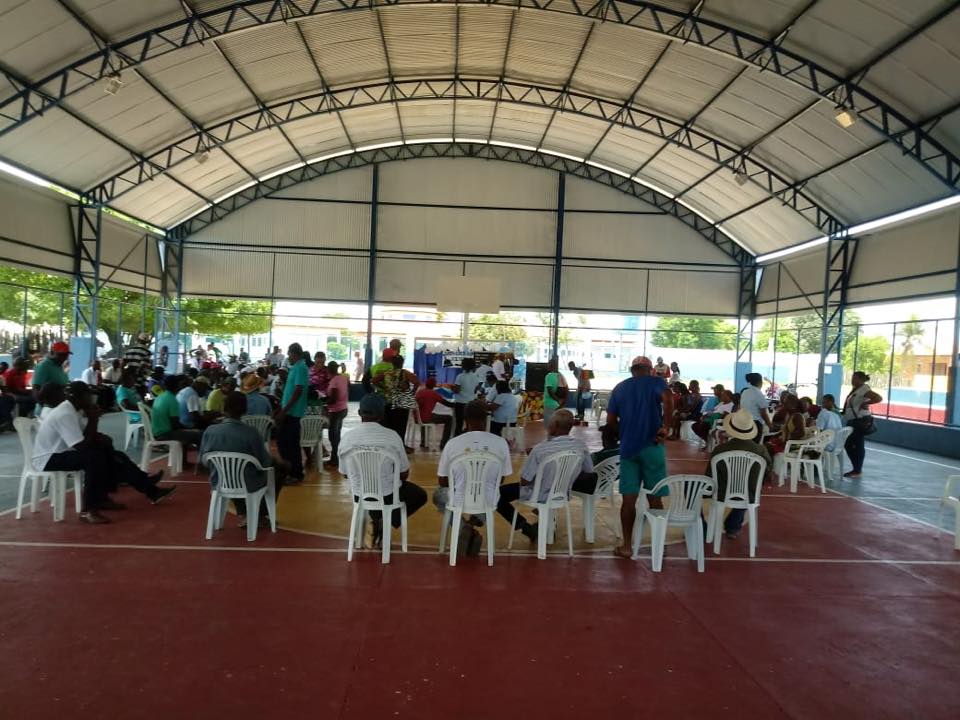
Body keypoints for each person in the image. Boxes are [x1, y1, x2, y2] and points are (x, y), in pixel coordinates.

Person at [32, 381, 175, 524]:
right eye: (88, 396)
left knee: (114, 455)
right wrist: (94, 419)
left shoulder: (75, 410)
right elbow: (81, 446)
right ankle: (88, 510)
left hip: (64, 452)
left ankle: (148, 490)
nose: (91, 399)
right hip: (48, 458)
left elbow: (86, 435)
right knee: (94, 458)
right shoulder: (65, 413)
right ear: (79, 397)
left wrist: (99, 434)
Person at [605, 355, 673, 559]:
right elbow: (668, 399)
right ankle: (659, 542)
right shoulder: (656, 382)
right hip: (653, 446)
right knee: (655, 497)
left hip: (628, 450)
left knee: (628, 500)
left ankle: (627, 546)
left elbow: (610, 420)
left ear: (632, 369)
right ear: (650, 369)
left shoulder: (620, 387)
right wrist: (666, 426)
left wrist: (622, 434)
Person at [337, 394, 427, 547]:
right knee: (419, 495)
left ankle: (377, 520)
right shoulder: (392, 437)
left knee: (374, 497)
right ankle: (384, 521)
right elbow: (404, 473)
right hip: (387, 495)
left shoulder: (347, 438)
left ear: (359, 413)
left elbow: (345, 473)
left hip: (360, 495)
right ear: (382, 415)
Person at [498, 409, 594, 544]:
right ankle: (545, 521)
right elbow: (588, 471)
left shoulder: (540, 449)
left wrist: (537, 462)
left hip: (539, 494)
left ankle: (526, 528)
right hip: (562, 493)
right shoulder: (581, 446)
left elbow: (524, 481)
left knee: (498, 495)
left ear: (554, 425)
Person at [199, 391, 289, 527]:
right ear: (245, 409)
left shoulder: (210, 431)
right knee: (278, 471)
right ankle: (259, 515)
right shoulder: (251, 433)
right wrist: (281, 463)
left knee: (231, 471)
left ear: (224, 408)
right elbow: (266, 463)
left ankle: (244, 512)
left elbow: (203, 461)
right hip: (248, 482)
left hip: (219, 481)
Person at [433, 400, 512, 546]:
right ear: (485, 418)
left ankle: (463, 528)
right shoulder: (501, 443)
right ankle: (471, 526)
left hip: (458, 499)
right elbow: (500, 480)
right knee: (493, 494)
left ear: (465, 419)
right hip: (487, 500)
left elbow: (442, 481)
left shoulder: (453, 443)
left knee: (439, 495)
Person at [704, 408, 772, 540]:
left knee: (689, 488)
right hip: (750, 493)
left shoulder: (720, 450)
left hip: (722, 493)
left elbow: (709, 476)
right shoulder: (761, 451)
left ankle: (703, 528)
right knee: (746, 489)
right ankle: (733, 527)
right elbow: (766, 473)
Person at [274, 342, 309, 484]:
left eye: (289, 354)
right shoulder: (296, 367)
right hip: (289, 411)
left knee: (290, 444)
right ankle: (289, 471)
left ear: (295, 354)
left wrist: (285, 410)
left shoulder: (300, 367)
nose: (288, 357)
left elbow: (298, 390)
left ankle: (296, 474)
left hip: (293, 413)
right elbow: (291, 391)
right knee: (283, 442)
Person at [842, 371, 883, 479]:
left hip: (860, 420)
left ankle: (857, 469)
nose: (852, 380)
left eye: (854, 378)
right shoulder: (856, 389)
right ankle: (856, 469)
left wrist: (865, 403)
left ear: (860, 379)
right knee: (853, 444)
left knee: (854, 445)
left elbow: (878, 398)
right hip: (853, 420)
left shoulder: (864, 389)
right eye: (852, 377)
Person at [151, 375, 204, 448]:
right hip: (165, 435)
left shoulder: (160, 396)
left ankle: (183, 457)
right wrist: (189, 430)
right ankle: (192, 458)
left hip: (156, 433)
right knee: (200, 434)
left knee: (193, 433)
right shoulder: (172, 399)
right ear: (177, 385)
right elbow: (175, 425)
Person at [415, 377, 455, 449]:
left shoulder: (419, 391)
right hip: (426, 418)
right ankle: (443, 443)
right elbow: (447, 404)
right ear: (434, 385)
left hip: (417, 417)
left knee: (426, 416)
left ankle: (423, 442)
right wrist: (458, 404)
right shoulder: (433, 393)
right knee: (449, 418)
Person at [325, 361, 348, 466]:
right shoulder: (343, 378)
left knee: (333, 436)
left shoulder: (334, 381)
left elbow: (333, 399)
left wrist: (323, 400)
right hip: (343, 408)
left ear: (329, 370)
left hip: (335, 410)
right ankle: (337, 457)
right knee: (337, 434)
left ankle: (335, 459)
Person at [451, 358, 482, 436]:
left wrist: (452, 388)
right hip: (471, 403)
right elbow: (476, 389)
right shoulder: (476, 377)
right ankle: (469, 439)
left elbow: (457, 390)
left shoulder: (460, 376)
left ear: (463, 366)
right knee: (469, 423)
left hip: (460, 403)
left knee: (459, 423)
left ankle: (457, 439)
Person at [740, 372, 773, 438]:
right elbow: (763, 414)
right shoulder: (758, 393)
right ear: (760, 382)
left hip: (745, 422)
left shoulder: (745, 392)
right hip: (755, 425)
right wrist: (770, 426)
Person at [542, 357, 568, 426]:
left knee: (549, 426)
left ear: (552, 365)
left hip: (549, 404)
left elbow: (550, 391)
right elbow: (566, 390)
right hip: (558, 405)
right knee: (557, 426)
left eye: (549, 364)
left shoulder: (549, 376)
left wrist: (558, 400)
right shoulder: (561, 376)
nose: (547, 365)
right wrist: (561, 403)